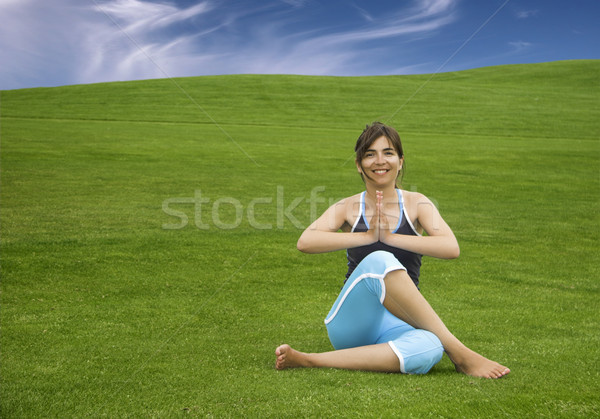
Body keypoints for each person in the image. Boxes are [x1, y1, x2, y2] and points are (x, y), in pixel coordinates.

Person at [275, 122, 510, 379]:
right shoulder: (347, 206)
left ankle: (309, 360)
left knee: (430, 348)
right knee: (380, 259)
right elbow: (305, 242)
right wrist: (366, 236)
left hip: (400, 324)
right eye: (369, 154)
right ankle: (460, 353)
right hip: (352, 323)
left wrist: (391, 237)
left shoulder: (417, 203)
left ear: (400, 161)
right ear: (358, 164)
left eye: (388, 153)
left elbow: (450, 248)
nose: (380, 161)